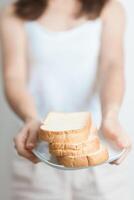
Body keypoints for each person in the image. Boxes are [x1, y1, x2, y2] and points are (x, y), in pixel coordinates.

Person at [0, 0, 132, 199]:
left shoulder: (109, 8)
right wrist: (30, 118)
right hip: (37, 150)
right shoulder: (14, 12)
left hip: (100, 151)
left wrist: (111, 116)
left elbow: (112, 67)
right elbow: (14, 77)